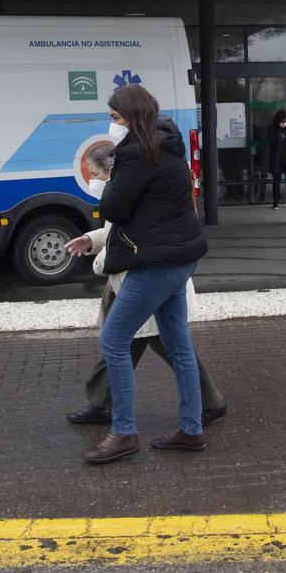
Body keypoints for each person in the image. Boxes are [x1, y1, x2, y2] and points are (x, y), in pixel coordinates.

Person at [78, 84, 208, 465]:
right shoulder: (168, 146)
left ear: (132, 118)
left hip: (154, 263)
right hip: (179, 258)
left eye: (115, 118)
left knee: (114, 338)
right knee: (178, 345)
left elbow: (115, 208)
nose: (112, 125)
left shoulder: (136, 155)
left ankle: (123, 433)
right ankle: (191, 429)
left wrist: (105, 184)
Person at [64, 141, 228, 431]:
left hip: (145, 283)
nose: (93, 181)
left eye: (95, 174)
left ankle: (125, 427)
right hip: (141, 282)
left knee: (149, 346)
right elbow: (118, 233)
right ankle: (109, 408)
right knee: (133, 345)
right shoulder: (134, 187)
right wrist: (92, 241)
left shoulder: (134, 189)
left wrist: (100, 261)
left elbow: (133, 239)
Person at [266, 109, 286, 210]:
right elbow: (270, 140)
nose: (284, 123)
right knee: (276, 181)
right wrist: (278, 134)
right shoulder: (273, 129)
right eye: (283, 121)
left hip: (285, 158)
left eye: (285, 121)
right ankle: (275, 202)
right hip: (276, 158)